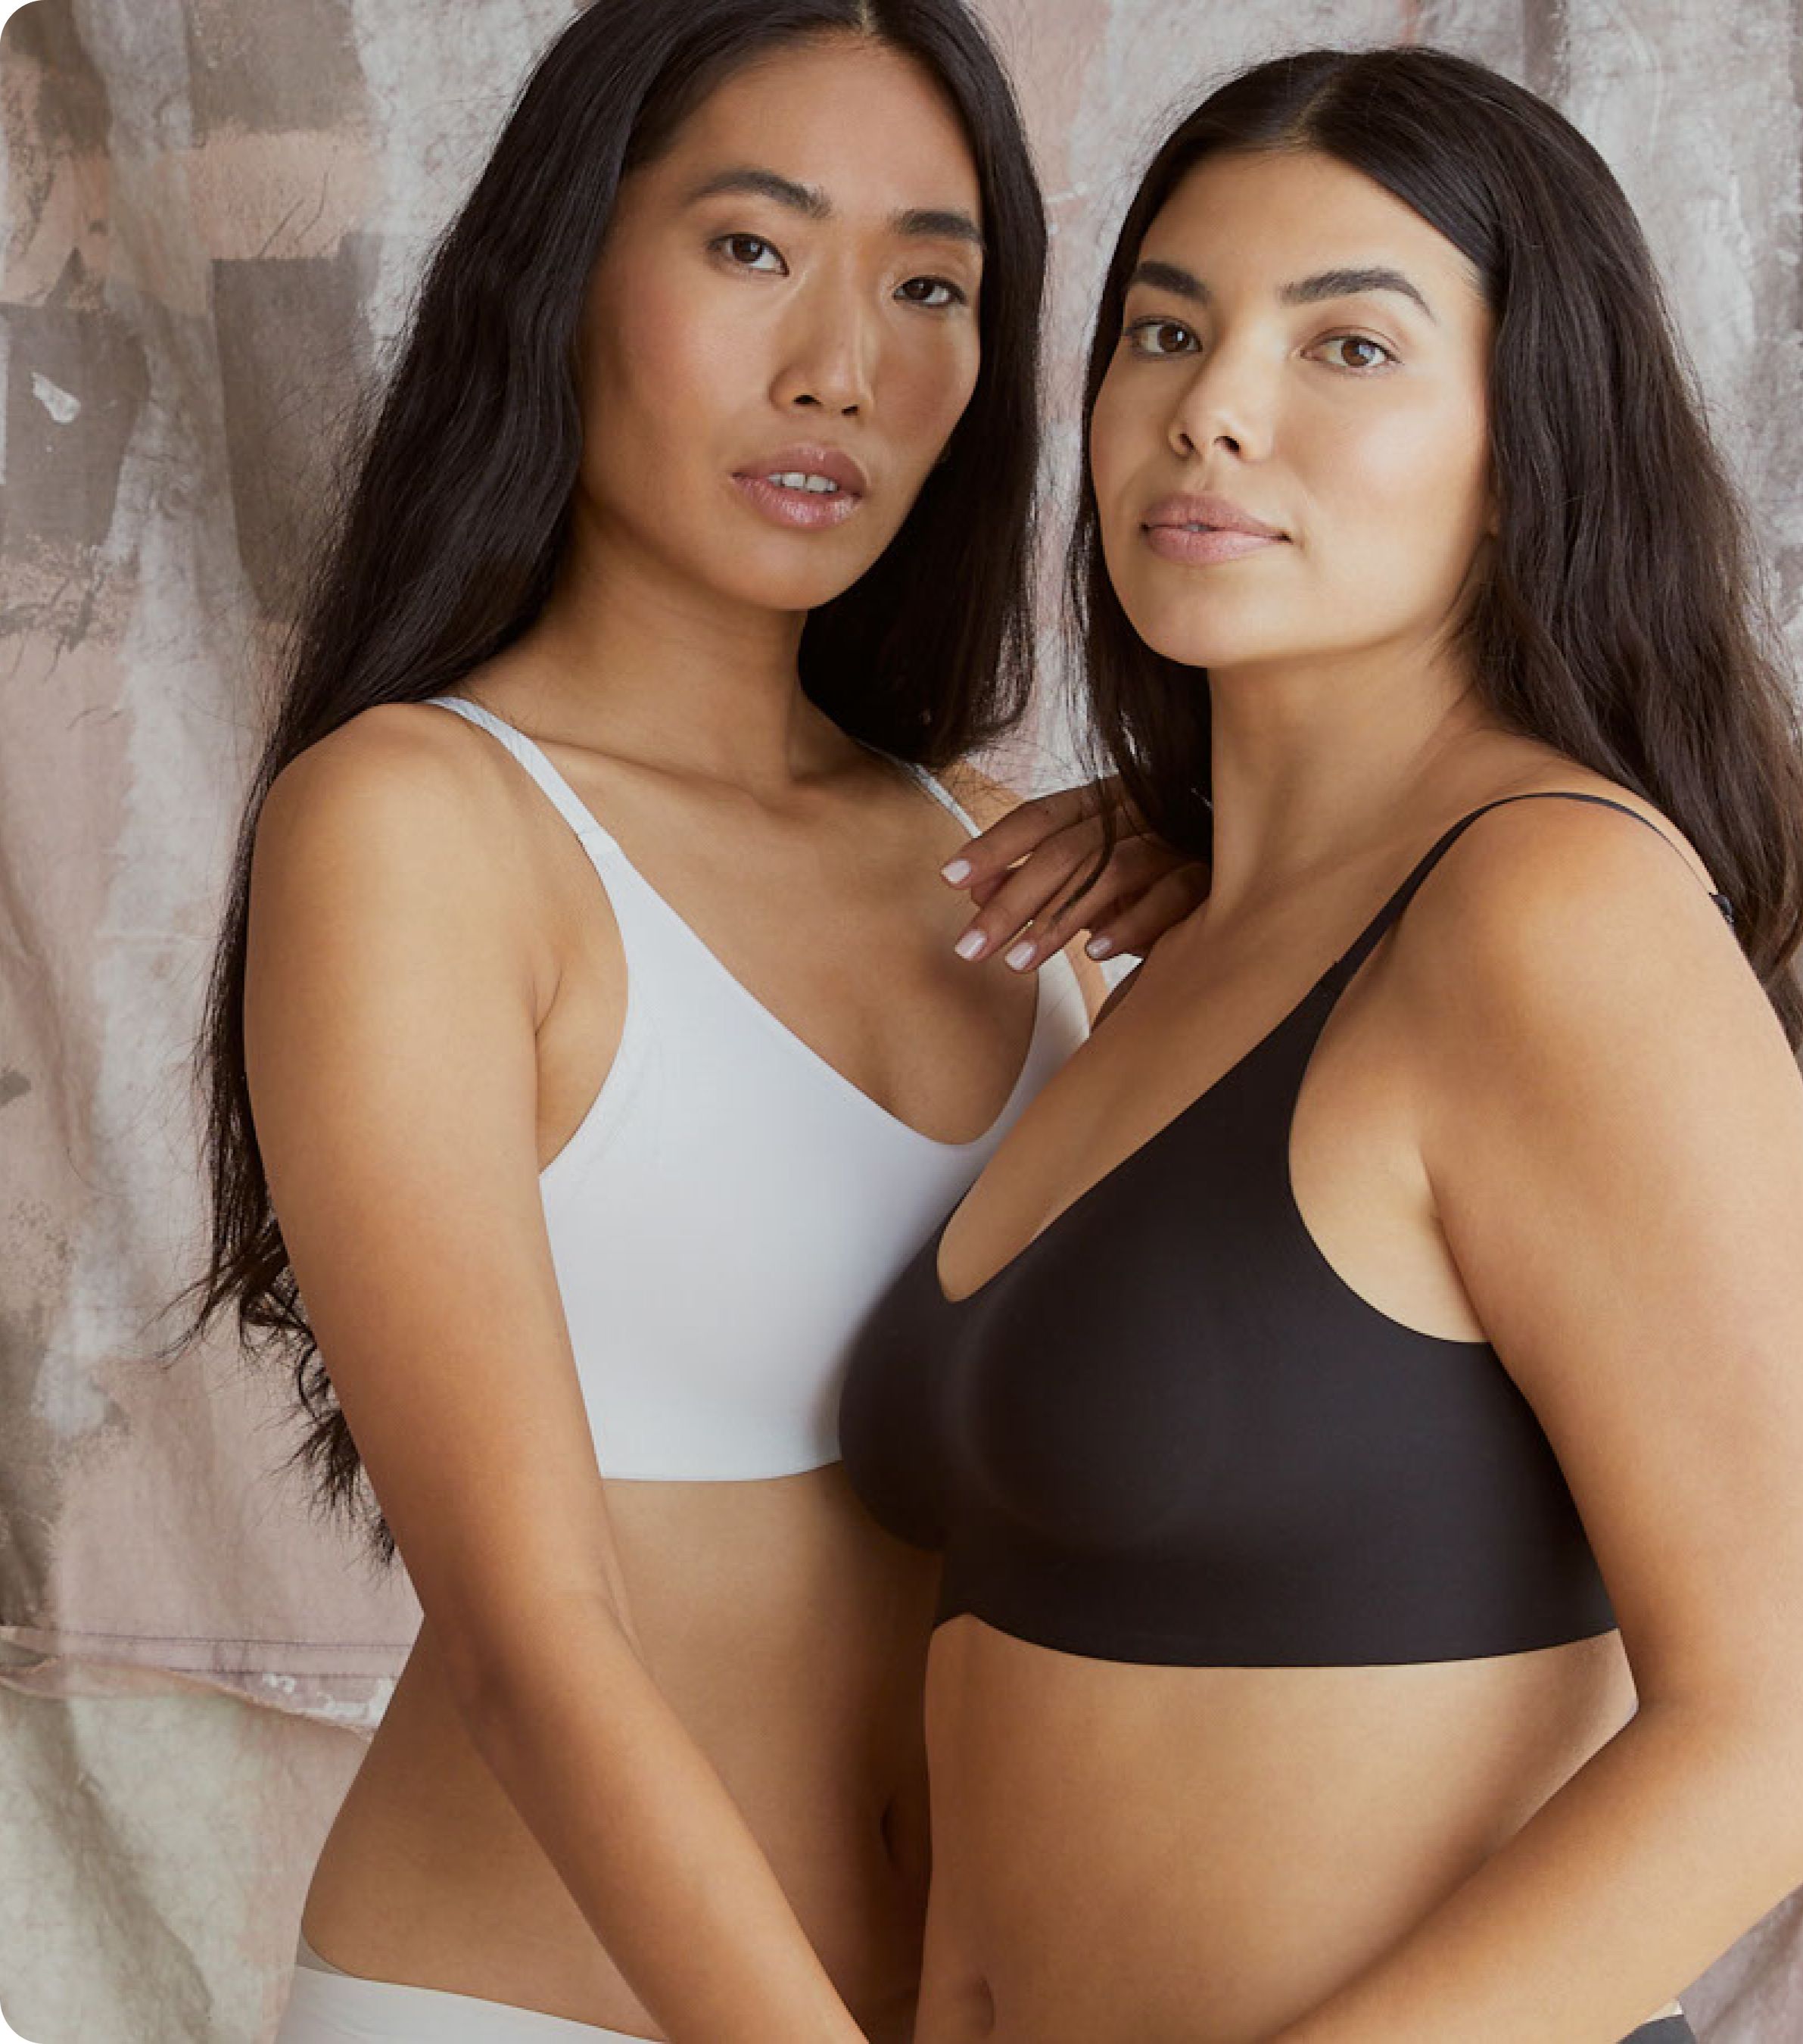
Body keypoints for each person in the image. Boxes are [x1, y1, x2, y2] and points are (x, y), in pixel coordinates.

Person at [842, 45, 1803, 2044]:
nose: (1210, 410)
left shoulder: (1549, 916)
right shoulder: (1187, 943)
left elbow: (1787, 1734)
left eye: (1348, 346)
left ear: (1526, 445)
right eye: (1166, 330)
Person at [179, 2, 1198, 2038]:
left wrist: (1250, 865)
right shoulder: (416, 823)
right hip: (528, 2006)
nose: (842, 365)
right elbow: (526, 1641)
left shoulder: (1003, 851)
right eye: (751, 247)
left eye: (929, 285)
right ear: (566, 272)